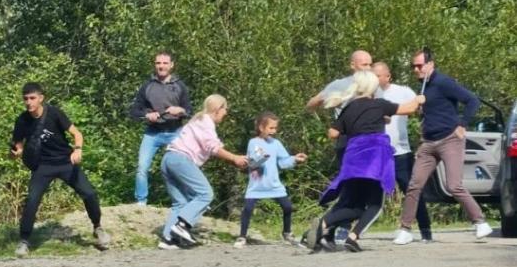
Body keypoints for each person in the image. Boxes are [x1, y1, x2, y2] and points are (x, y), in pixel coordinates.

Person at [304, 71, 424, 253]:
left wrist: (354, 125)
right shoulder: (379, 104)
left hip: (353, 160)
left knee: (356, 207)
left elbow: (333, 133)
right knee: (375, 204)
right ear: (373, 87)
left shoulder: (349, 107)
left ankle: (323, 224)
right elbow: (408, 109)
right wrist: (419, 99)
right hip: (373, 160)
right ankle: (352, 237)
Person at [393, 49, 493, 244]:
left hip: (449, 140)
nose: (416, 69)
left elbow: (472, 100)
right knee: (414, 185)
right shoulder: (423, 86)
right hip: (428, 143)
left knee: (454, 185)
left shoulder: (443, 82)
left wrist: (462, 124)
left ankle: (480, 222)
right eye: (413, 66)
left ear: (431, 64)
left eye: (419, 65)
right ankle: (405, 229)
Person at [10, 82, 111, 256]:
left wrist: (78, 150)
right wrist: (15, 153)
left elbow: (77, 134)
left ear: (41, 98)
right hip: (42, 166)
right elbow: (17, 146)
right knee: (32, 200)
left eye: (32, 98)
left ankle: (98, 228)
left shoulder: (54, 113)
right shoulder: (22, 120)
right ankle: (24, 241)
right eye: (25, 99)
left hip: (65, 162)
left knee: (89, 193)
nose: (28, 102)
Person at [160, 94, 248, 249]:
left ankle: (168, 239)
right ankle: (182, 226)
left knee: (180, 202)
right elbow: (213, 147)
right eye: (225, 109)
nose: (226, 113)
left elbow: (213, 148)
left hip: (168, 159)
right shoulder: (206, 122)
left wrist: (234, 161)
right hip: (181, 159)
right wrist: (235, 158)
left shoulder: (197, 121)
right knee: (205, 194)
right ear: (218, 109)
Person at [306, 49, 373, 243]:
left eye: (370, 64)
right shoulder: (340, 84)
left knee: (358, 189)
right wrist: (331, 104)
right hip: (347, 140)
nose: (368, 68)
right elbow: (311, 104)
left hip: (367, 142)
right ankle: (336, 227)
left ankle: (330, 228)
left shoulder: (372, 84)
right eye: (364, 64)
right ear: (352, 65)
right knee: (351, 188)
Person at [372, 61, 433, 242]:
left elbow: (423, 109)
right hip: (376, 152)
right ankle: (347, 230)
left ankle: (425, 230)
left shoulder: (403, 92)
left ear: (388, 76)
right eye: (372, 76)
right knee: (364, 190)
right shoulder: (368, 94)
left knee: (412, 190)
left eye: (378, 75)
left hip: (400, 152)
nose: (375, 79)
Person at [234, 112, 308, 248]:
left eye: (275, 128)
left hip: (274, 184)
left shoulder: (276, 143)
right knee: (248, 209)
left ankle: (287, 233)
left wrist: (295, 159)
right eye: (271, 128)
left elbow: (283, 162)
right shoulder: (253, 142)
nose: (274, 131)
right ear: (261, 128)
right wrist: (261, 159)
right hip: (257, 185)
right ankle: (242, 236)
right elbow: (253, 163)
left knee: (287, 207)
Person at [129, 51, 192, 205]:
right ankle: (141, 203)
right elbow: (134, 111)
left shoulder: (180, 86)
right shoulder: (147, 86)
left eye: (164, 63)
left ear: (171, 65)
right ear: (155, 65)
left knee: (181, 167)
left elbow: (190, 111)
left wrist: (180, 110)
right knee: (142, 168)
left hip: (175, 132)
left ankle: (186, 201)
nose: (161, 66)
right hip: (153, 132)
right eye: (158, 63)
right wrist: (147, 115)